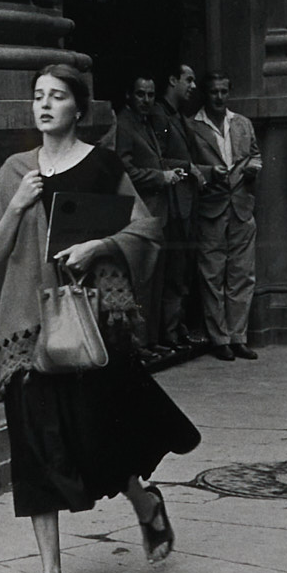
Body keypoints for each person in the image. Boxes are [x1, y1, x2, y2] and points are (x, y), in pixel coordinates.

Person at [0, 64, 201, 573]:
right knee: (35, 448)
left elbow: (146, 229)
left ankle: (143, 500)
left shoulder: (102, 166)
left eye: (57, 96)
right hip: (28, 324)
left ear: (79, 108)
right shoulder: (14, 170)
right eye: (38, 96)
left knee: (98, 432)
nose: (45, 104)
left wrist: (99, 246)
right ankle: (51, 572)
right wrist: (17, 204)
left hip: (92, 319)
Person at [189, 70, 262, 360]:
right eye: (213, 92)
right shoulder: (192, 126)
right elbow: (188, 164)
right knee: (212, 274)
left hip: (242, 206)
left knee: (242, 274)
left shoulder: (242, 123)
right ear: (205, 94)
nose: (219, 97)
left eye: (223, 92)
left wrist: (254, 167)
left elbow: (255, 154)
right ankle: (219, 339)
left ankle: (238, 336)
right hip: (211, 207)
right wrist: (208, 173)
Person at [103, 74, 176, 356]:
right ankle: (139, 343)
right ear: (129, 96)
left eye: (150, 95)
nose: (146, 100)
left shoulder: (146, 123)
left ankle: (150, 339)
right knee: (141, 278)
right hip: (139, 211)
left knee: (156, 277)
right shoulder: (124, 123)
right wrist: (160, 177)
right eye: (140, 94)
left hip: (158, 211)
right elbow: (124, 169)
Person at [151, 61, 205, 350]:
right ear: (173, 80)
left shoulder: (178, 116)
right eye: (189, 79)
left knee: (183, 269)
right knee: (174, 270)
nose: (193, 86)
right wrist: (188, 167)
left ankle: (178, 328)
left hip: (185, 203)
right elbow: (157, 159)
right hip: (172, 206)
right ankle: (169, 333)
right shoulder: (160, 116)